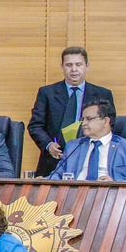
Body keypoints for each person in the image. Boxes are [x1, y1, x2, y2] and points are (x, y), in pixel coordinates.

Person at [29, 46, 114, 177]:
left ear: (87, 66)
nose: (74, 69)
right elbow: (35, 126)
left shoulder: (102, 94)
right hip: (55, 159)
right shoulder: (47, 93)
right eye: (69, 65)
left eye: (78, 64)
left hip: (91, 156)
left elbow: (110, 125)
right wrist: (48, 145)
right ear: (62, 66)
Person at [48, 96, 126, 182]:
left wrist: (115, 183)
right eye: (82, 119)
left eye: (89, 119)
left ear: (105, 121)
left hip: (111, 198)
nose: (84, 123)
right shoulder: (73, 146)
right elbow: (56, 175)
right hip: (74, 196)